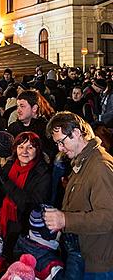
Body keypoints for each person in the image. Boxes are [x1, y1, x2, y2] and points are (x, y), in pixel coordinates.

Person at [44, 111, 113, 278]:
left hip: (97, 262)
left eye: (61, 142)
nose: (60, 148)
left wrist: (65, 220)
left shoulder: (100, 166)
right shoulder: (82, 161)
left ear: (75, 133)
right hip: (81, 251)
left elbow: (108, 217)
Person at [0, 131, 51, 259]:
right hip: (3, 224)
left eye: (30, 147)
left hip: (23, 232)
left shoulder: (42, 173)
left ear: (37, 150)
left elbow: (32, 205)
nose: (25, 151)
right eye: (21, 147)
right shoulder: (10, 165)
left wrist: (7, 184)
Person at [14, 206, 84, 280]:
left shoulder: (23, 246)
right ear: (49, 234)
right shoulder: (48, 265)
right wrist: (75, 255)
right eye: (58, 228)